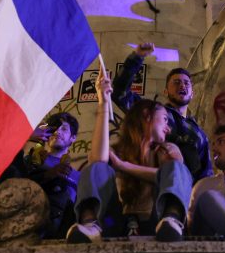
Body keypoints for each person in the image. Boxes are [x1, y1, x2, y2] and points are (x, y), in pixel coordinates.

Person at [66, 69, 192, 243]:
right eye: (164, 119)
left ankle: (172, 220)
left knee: (177, 168)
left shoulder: (168, 149)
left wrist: (123, 166)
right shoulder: (118, 150)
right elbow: (97, 162)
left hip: (156, 222)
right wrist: (103, 102)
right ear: (147, 116)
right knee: (95, 167)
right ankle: (90, 225)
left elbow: (173, 176)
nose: (168, 128)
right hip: (114, 223)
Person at [113, 43, 212, 184]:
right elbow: (120, 93)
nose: (182, 85)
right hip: (151, 188)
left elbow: (205, 175)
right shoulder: (154, 115)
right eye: (176, 82)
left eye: (186, 83)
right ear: (165, 92)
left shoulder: (200, 135)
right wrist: (137, 57)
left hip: (186, 197)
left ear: (192, 93)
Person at [25, 112, 80, 238]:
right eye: (55, 128)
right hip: (35, 220)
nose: (57, 132)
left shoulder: (79, 176)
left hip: (65, 228)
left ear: (73, 138)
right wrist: (48, 175)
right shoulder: (33, 161)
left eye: (64, 129)